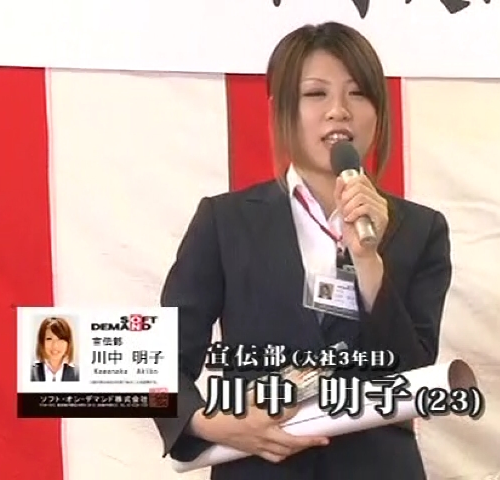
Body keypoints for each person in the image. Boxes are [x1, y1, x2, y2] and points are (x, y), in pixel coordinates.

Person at [153, 21, 453, 480]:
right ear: (282, 111)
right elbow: (160, 360)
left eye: (358, 94)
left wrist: (369, 260)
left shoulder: (420, 229)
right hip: (258, 470)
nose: (339, 111)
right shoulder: (225, 221)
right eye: (316, 94)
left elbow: (410, 378)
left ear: (379, 111)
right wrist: (214, 424)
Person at [30, 316, 79, 382]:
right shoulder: (30, 373)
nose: (55, 345)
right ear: (41, 342)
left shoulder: (78, 374)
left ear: (68, 343)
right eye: (49, 339)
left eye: (60, 339)